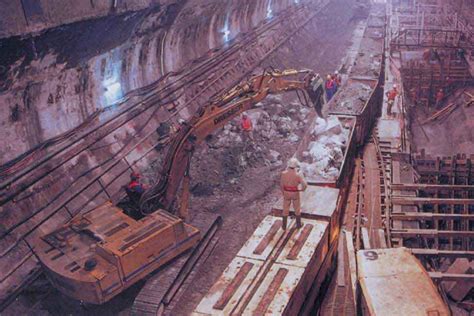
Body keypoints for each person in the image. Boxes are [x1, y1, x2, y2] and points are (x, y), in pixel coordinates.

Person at [280, 158, 307, 230]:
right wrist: (302, 190)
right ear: (296, 166)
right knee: (297, 208)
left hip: (286, 193)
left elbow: (281, 185)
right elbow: (304, 185)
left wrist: (283, 193)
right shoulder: (298, 175)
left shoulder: (283, 174)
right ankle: (298, 224)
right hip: (295, 193)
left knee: (285, 209)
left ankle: (284, 226)